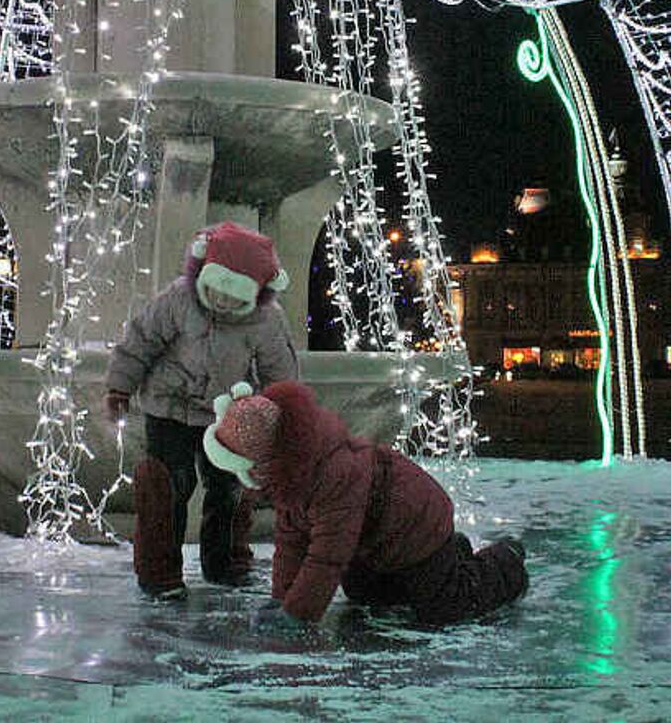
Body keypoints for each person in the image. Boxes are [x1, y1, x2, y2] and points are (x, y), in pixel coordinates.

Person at [204, 380, 528, 630]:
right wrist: (282, 598)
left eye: (240, 470)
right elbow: (291, 540)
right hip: (380, 543)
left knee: (444, 609)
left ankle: (504, 561)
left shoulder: (333, 476)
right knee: (362, 592)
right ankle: (451, 558)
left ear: (263, 464)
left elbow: (326, 558)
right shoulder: (296, 473)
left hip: (418, 530)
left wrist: (296, 614)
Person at [104, 221, 298, 599]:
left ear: (257, 294)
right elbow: (142, 339)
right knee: (166, 487)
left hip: (227, 415)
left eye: (235, 297)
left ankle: (226, 564)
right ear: (200, 276)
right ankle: (159, 574)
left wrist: (281, 414)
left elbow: (280, 371)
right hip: (169, 409)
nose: (223, 304)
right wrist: (120, 385)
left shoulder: (267, 320)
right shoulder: (178, 298)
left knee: (231, 488)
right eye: (215, 291)